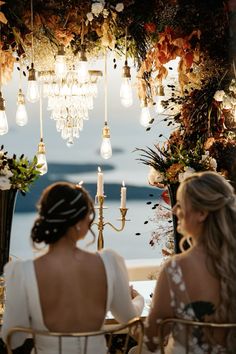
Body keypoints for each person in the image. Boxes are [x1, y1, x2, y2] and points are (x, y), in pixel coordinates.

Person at [2, 181, 144, 353]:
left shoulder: (22, 272)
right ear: (78, 221)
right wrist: (138, 299)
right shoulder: (109, 262)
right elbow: (127, 317)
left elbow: (14, 338)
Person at [132, 171, 236, 353]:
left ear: (201, 213)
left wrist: (133, 306)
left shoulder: (176, 269)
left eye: (180, 204)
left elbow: (151, 340)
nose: (174, 210)